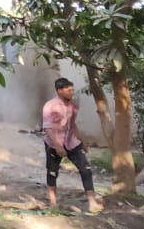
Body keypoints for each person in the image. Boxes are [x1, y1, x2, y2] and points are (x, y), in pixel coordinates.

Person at [42, 77, 101, 213]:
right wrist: (57, 146)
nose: (71, 93)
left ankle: (92, 202)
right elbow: (48, 128)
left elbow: (73, 125)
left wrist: (83, 142)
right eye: (68, 90)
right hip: (53, 143)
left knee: (86, 169)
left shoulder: (73, 106)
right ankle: (53, 203)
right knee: (52, 172)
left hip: (71, 142)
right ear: (59, 91)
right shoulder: (50, 106)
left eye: (72, 90)